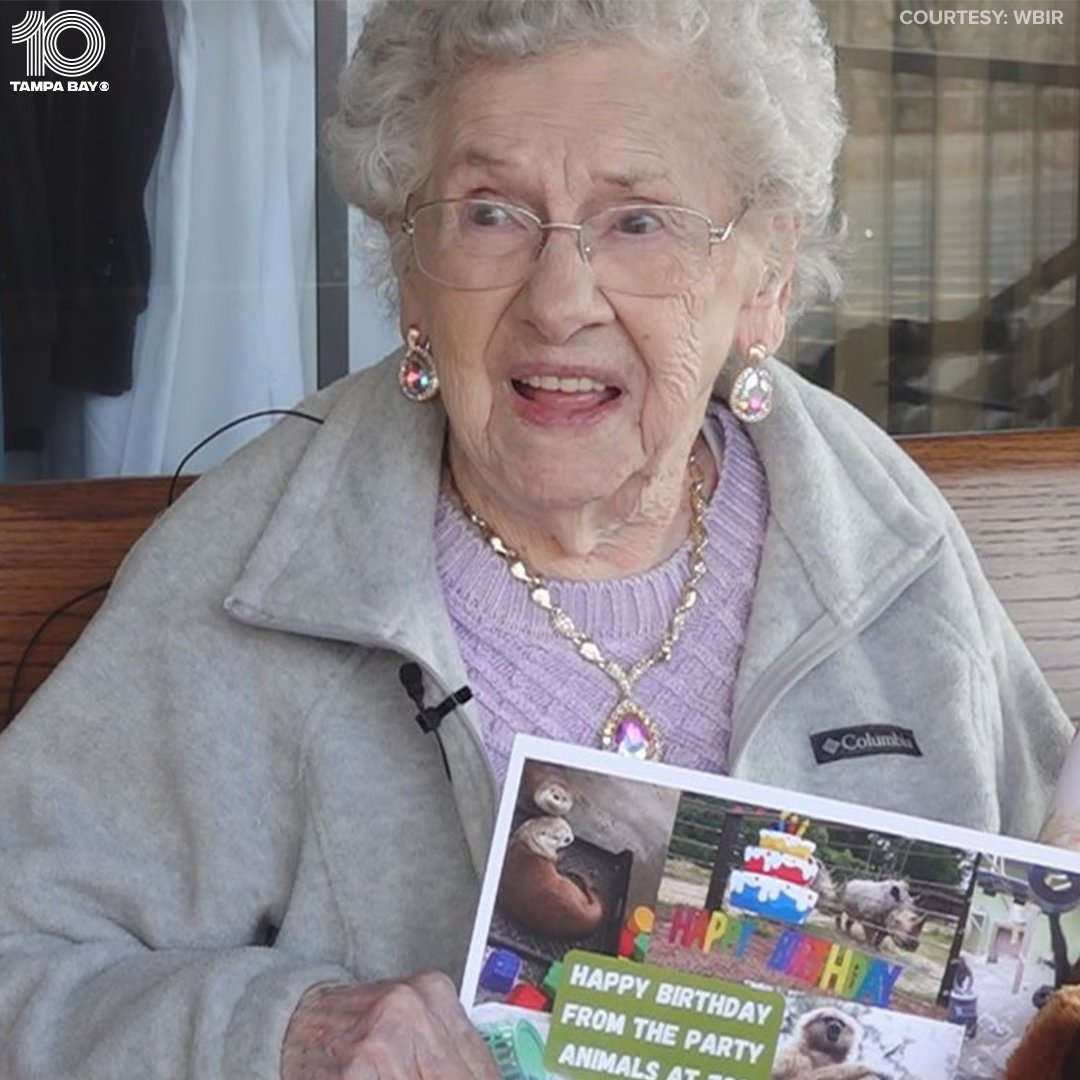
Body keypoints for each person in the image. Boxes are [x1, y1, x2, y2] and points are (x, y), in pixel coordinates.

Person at [0, 2, 1071, 1078]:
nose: (560, 303)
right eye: (491, 214)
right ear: (407, 263)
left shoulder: (867, 521)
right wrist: (278, 1035)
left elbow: (1049, 857)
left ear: (767, 276)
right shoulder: (259, 566)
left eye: (638, 221)